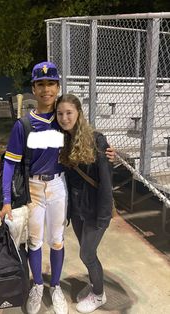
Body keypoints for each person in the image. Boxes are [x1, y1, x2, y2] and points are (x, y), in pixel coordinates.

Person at [0, 61, 115, 314]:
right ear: (33, 88)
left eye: (51, 83)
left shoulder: (64, 119)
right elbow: (9, 163)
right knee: (35, 241)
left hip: (59, 186)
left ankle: (55, 287)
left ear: (57, 86)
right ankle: (38, 285)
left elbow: (89, 139)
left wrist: (107, 154)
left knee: (57, 240)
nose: (46, 89)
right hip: (34, 189)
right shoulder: (24, 125)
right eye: (40, 84)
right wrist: (6, 199)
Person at [55, 94, 113, 314]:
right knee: (87, 252)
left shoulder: (96, 139)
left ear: (78, 113)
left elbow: (106, 181)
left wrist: (104, 215)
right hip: (77, 208)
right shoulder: (63, 140)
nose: (64, 117)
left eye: (69, 112)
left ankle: (99, 295)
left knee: (87, 254)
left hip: (95, 208)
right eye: (60, 113)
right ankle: (94, 284)